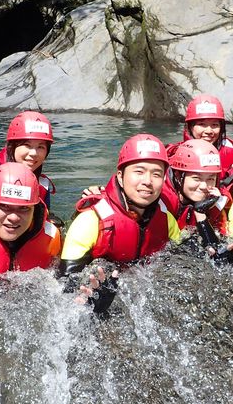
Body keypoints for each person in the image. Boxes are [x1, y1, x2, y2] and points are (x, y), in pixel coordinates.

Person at [59, 134, 182, 312]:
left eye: (156, 174)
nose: (147, 181)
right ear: (120, 176)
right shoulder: (91, 221)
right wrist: (91, 304)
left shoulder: (166, 220)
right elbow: (65, 287)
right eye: (139, 172)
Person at [162, 138, 229, 234]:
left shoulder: (214, 200)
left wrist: (202, 212)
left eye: (210, 179)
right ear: (178, 176)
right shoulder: (162, 201)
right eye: (196, 178)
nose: (204, 186)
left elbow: (216, 244)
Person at [167, 95, 233, 180]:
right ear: (190, 127)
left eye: (214, 125)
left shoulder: (229, 152)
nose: (209, 131)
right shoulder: (175, 155)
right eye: (202, 124)